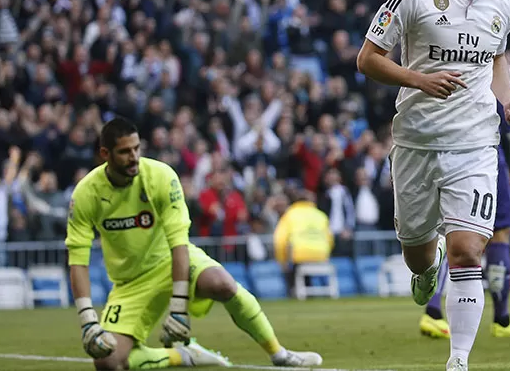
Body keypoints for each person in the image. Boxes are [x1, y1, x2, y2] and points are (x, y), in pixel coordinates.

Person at [356, 0, 510, 371]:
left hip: (475, 144)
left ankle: (458, 360)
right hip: (415, 142)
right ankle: (426, 270)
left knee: (468, 249)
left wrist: (509, 98)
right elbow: (367, 58)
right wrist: (418, 80)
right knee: (419, 255)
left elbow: (495, 59)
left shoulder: (504, 4)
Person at [66, 117, 322, 370]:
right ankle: (183, 356)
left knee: (222, 283)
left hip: (171, 258)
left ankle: (280, 354)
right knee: (107, 363)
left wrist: (179, 307)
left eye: (137, 149)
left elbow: (178, 243)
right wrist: (88, 319)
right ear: (104, 154)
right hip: (130, 283)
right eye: (124, 152)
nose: (134, 157)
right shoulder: (86, 194)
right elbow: (78, 259)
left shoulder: (161, 176)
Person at [420, 102, 510, 339]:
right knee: (499, 233)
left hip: (442, 152)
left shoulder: (440, 67)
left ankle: (432, 311)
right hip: (484, 156)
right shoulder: (487, 68)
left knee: (446, 232)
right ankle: (502, 319)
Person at [273, 189, 334, 291]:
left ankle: (293, 292)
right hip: (321, 254)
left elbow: (280, 240)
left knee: (291, 272)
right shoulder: (320, 215)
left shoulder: (290, 214)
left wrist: (282, 261)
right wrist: (326, 254)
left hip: (299, 256)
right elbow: (330, 239)